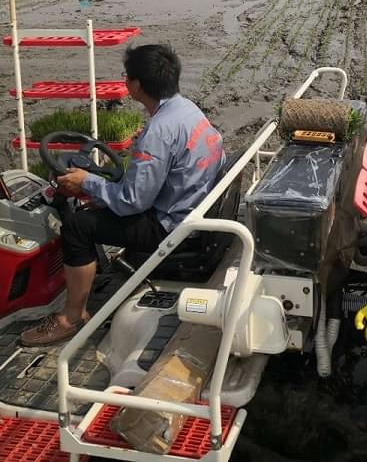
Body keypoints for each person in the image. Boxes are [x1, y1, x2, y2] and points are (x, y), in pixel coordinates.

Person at [21, 43, 224, 347]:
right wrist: (98, 187)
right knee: (98, 206)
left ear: (137, 85)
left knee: (77, 225)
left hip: (170, 226)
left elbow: (133, 201)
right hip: (191, 209)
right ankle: (94, 279)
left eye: (127, 77)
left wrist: (87, 181)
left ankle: (71, 317)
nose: (126, 82)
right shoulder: (188, 110)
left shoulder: (157, 132)